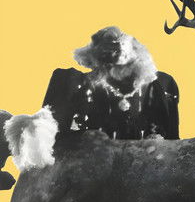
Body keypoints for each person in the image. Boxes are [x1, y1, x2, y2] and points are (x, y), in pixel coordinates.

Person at [43, 26, 179, 140]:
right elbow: (52, 138)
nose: (116, 50)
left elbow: (172, 140)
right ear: (95, 58)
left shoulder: (160, 84)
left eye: (122, 49)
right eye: (109, 51)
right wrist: (85, 138)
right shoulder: (76, 83)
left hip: (143, 159)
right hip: (93, 158)